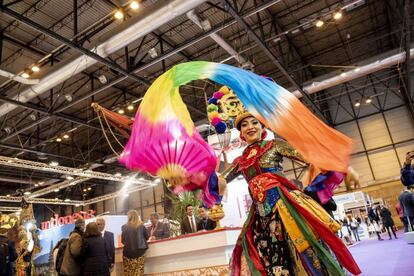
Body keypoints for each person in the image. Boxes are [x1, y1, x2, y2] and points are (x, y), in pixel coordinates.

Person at [217, 112, 360, 275]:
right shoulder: (240, 160)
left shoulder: (275, 145)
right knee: (265, 256)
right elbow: (220, 180)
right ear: (241, 133)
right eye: (244, 125)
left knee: (303, 250)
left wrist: (345, 168)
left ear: (262, 127)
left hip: (285, 207)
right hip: (260, 216)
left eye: (254, 123)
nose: (250, 127)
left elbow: (309, 157)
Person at [121, 210, 148, 276]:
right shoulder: (141, 225)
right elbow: (147, 237)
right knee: (139, 270)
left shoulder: (124, 227)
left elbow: (123, 241)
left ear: (128, 217)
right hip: (140, 252)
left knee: (128, 271)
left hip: (127, 253)